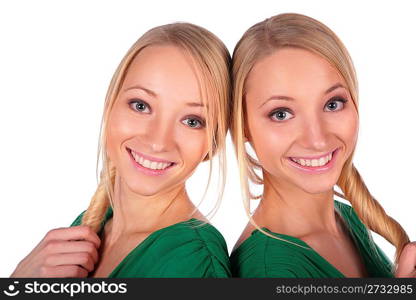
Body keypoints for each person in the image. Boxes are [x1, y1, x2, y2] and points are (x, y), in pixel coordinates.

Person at [11, 22, 231, 278]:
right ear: (110, 105)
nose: (158, 141)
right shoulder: (93, 224)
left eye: (192, 121)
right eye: (140, 105)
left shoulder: (193, 264)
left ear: (213, 143)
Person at [229, 13, 415, 278]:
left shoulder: (347, 220)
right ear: (242, 125)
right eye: (281, 113)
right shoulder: (271, 270)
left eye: (332, 104)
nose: (317, 139)